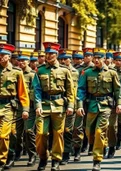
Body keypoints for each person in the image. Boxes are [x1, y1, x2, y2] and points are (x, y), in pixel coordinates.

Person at [76, 48, 121, 171]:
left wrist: (119, 104)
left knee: (99, 132)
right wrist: (80, 105)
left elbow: (118, 90)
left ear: (104, 59)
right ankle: (100, 144)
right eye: (95, 58)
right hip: (91, 106)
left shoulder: (112, 73)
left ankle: (97, 160)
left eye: (99, 58)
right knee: (89, 132)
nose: (96, 60)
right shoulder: (86, 73)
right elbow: (80, 90)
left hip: (105, 106)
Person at [33, 42, 75, 171]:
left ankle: (56, 159)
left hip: (59, 106)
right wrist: (38, 105)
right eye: (47, 53)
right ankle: (43, 157)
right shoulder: (40, 70)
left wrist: (71, 106)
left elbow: (70, 89)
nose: (49, 55)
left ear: (56, 54)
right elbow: (36, 89)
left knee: (58, 133)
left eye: (51, 53)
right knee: (41, 133)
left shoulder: (65, 70)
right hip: (44, 106)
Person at [0, 44, 29, 171]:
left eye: (2, 55)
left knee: (2, 135)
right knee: (10, 134)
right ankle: (10, 154)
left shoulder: (17, 72)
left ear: (9, 56)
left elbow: (23, 93)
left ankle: (2, 159)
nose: (0, 57)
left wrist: (25, 109)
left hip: (8, 106)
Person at [57, 49, 79, 165]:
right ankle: (60, 152)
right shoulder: (57, 71)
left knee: (68, 130)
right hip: (59, 105)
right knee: (58, 131)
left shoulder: (76, 72)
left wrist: (78, 106)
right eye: (61, 59)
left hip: (71, 105)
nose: (63, 61)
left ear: (70, 59)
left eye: (65, 59)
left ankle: (66, 153)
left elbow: (78, 91)